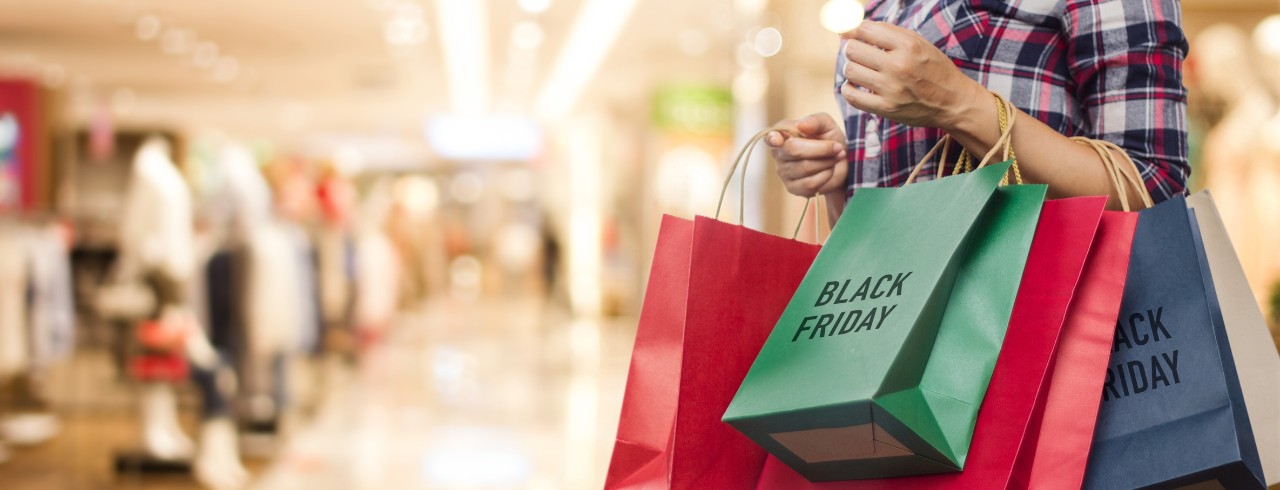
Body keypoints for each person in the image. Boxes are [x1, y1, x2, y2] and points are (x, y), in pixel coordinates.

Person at [768, 0, 1189, 222]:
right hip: (892, 325)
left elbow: (1152, 185)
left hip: (1028, 325)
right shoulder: (882, 6)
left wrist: (958, 103)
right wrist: (839, 179)